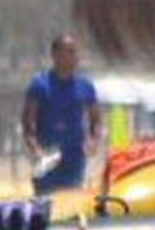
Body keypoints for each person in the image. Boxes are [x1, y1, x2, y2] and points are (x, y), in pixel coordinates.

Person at [22, 35, 102, 195]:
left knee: (71, 201)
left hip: (75, 157)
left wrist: (94, 141)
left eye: (75, 52)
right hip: (47, 156)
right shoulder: (40, 84)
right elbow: (28, 123)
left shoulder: (85, 86)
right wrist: (35, 149)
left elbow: (96, 119)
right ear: (55, 55)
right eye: (69, 52)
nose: (74, 57)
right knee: (46, 201)